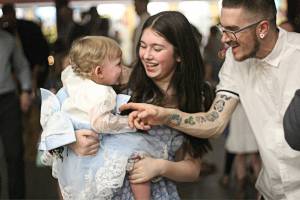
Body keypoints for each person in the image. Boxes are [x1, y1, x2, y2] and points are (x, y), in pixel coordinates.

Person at [120, 0, 300, 199]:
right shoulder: (235, 60)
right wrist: (163, 114)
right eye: (222, 28)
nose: (223, 39)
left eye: (232, 30)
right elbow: (214, 122)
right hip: (272, 190)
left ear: (263, 28)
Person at [41, 11, 213, 199]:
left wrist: (159, 166)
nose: (146, 55)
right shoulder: (118, 76)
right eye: (143, 46)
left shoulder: (196, 97)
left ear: (180, 54)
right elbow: (58, 110)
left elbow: (193, 168)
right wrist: (72, 141)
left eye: (157, 48)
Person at [40, 36, 173, 200]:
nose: (122, 69)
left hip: (75, 148)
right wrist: (129, 123)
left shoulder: (72, 78)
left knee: (72, 182)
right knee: (135, 156)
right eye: (118, 64)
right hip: (97, 138)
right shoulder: (103, 93)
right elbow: (101, 123)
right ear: (98, 72)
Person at [0, 29, 32, 198]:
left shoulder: (8, 39)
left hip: (7, 100)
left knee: (14, 154)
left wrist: (26, 90)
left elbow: (22, 66)